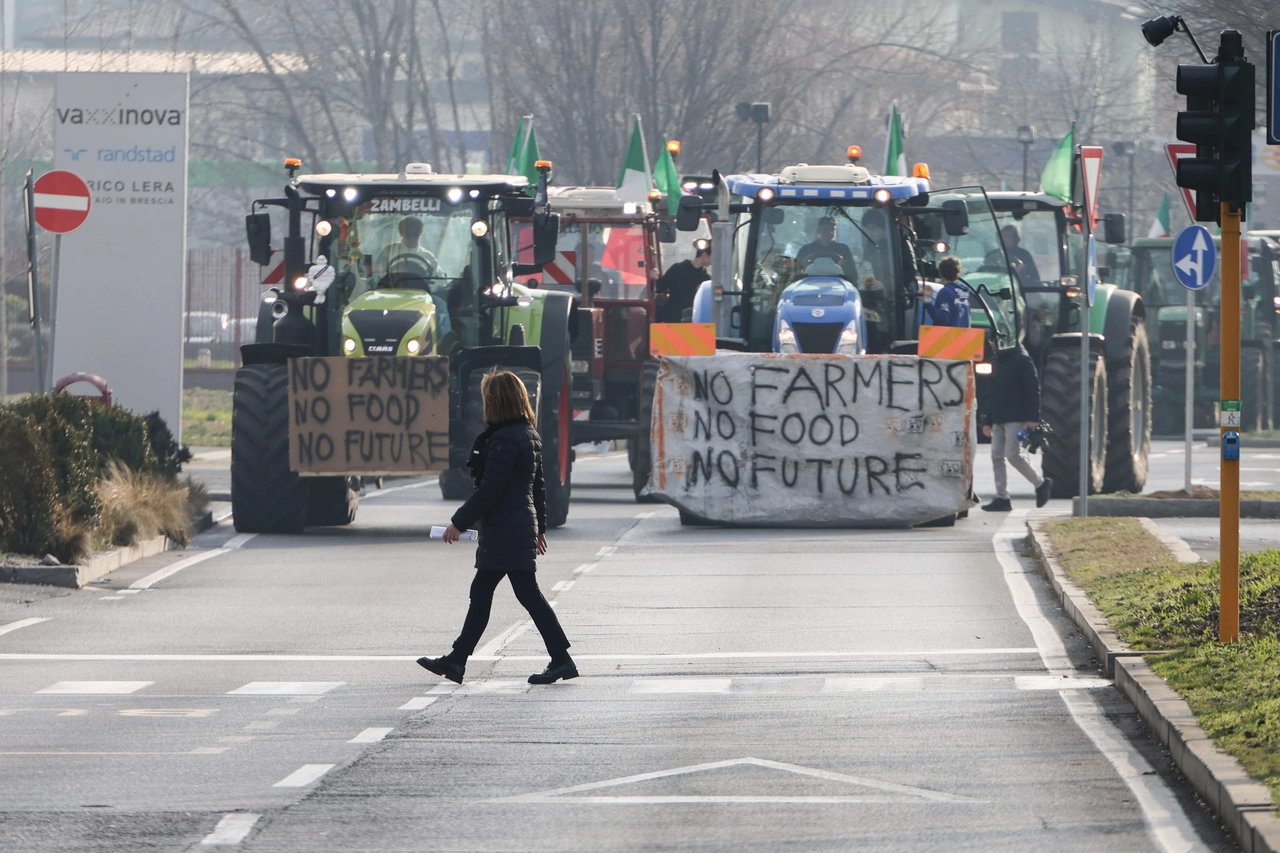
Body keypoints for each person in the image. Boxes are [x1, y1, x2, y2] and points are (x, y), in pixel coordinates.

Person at [417, 371, 577, 685]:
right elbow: (538, 487)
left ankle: (558, 659)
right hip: (518, 525)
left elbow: (490, 491)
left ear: (496, 401)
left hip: (506, 527)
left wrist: (457, 522)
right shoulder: (527, 433)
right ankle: (459, 660)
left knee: (507, 594)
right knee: (508, 593)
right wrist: (539, 527)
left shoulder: (504, 439)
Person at [981, 344, 1052, 511]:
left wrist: (1033, 417)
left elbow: (1033, 389)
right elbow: (993, 392)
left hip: (1016, 416)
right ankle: (1002, 497)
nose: (992, 345)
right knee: (996, 456)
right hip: (999, 417)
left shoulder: (1022, 360)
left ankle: (1041, 483)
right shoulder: (998, 361)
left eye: (995, 342)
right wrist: (988, 420)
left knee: (1012, 455)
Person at [655, 239, 711, 323]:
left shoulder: (706, 279)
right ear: (704, 255)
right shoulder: (678, 269)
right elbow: (660, 287)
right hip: (672, 319)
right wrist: (655, 277)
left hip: (694, 321)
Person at [919, 256, 971, 327]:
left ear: (940, 273)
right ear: (957, 275)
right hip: (964, 336)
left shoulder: (945, 292)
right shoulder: (963, 293)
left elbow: (943, 320)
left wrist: (927, 303)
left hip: (949, 336)